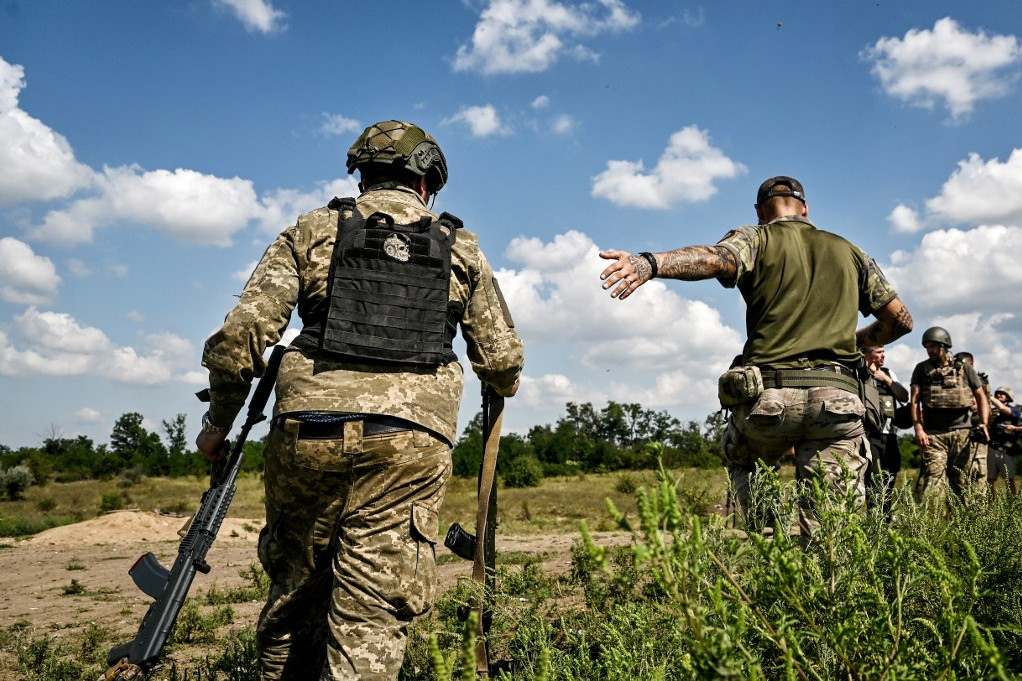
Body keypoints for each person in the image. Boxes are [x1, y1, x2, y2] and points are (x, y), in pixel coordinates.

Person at [195, 120, 525, 680]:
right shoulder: (459, 246)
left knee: (295, 593)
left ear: (363, 174)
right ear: (427, 181)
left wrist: (218, 422)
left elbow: (242, 337)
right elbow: (502, 360)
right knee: (371, 610)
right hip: (409, 443)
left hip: (307, 430)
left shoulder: (311, 230)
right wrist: (501, 384)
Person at [598, 176, 913, 535]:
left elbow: (715, 259)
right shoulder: (850, 250)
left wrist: (649, 263)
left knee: (746, 462)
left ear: (761, 211)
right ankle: (828, 576)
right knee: (833, 528)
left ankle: (768, 547)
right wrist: (849, 342)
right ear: (805, 208)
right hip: (836, 401)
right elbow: (900, 320)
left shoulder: (756, 238)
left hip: (771, 401)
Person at [909, 327, 989, 501]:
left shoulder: (965, 368)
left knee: (962, 482)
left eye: (933, 346)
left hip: (962, 433)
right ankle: (933, 526)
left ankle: (961, 525)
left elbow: (981, 396)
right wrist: (918, 428)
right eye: (927, 347)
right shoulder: (921, 369)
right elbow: (914, 400)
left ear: (944, 346)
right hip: (934, 434)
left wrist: (983, 422)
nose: (929, 350)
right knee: (933, 483)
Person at [862, 345, 909, 518]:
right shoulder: (859, 372)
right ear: (867, 354)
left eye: (884, 351)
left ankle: (885, 519)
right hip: (868, 435)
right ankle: (874, 521)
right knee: (873, 480)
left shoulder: (888, 373)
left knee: (889, 477)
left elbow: (904, 396)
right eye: (879, 352)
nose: (883, 355)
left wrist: (886, 379)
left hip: (889, 435)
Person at [987, 386, 1021, 497]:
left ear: (1008, 397)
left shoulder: (1014, 410)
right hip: (991, 448)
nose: (999, 395)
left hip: (1006, 450)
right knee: (989, 480)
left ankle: (1012, 505)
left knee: (1009, 480)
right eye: (998, 393)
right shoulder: (991, 412)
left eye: (1002, 394)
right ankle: (990, 506)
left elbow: (1003, 409)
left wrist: (989, 396)